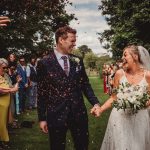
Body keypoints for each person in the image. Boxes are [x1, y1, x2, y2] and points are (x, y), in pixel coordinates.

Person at [37, 26, 100, 150]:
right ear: (61, 40)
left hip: (78, 112)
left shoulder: (77, 60)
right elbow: (42, 91)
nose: (74, 44)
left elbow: (85, 85)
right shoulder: (44, 62)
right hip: (56, 114)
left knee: (82, 146)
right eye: (72, 41)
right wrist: (42, 118)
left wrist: (95, 103)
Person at [91, 45, 150, 150]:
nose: (123, 58)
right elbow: (114, 98)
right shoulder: (119, 74)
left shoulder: (147, 75)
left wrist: (142, 102)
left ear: (135, 56)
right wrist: (101, 109)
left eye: (125, 55)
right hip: (120, 118)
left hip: (140, 118)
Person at [0, 58, 19, 149]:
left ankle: (4, 141)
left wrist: (13, 88)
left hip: (5, 106)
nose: (5, 69)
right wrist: (11, 90)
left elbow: (8, 87)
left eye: (6, 68)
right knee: (1, 124)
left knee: (4, 124)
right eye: (3, 68)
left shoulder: (3, 76)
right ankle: (3, 142)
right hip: (1, 106)